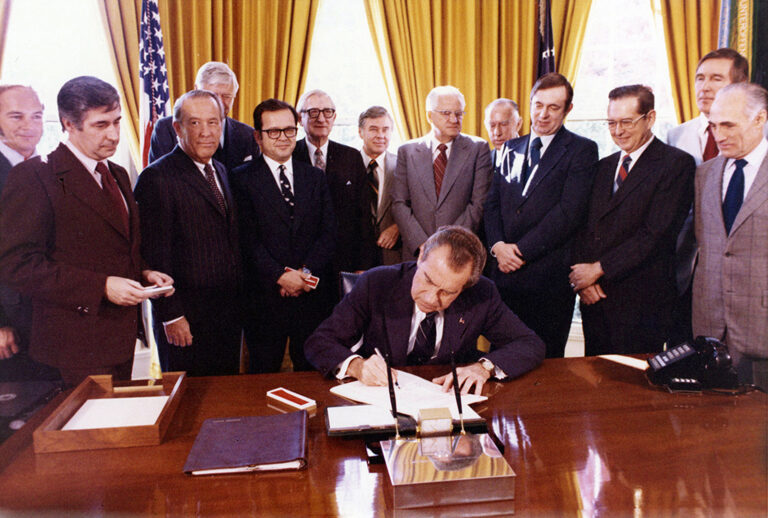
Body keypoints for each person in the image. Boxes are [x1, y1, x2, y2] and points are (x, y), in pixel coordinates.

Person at [0, 76, 174, 386]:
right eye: (101, 125)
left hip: (120, 339)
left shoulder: (117, 173)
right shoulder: (34, 176)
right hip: (72, 348)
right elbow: (17, 265)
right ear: (68, 123)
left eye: (117, 122)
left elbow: (115, 245)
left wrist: (145, 273)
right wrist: (102, 287)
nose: (114, 134)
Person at [304, 226, 545, 395]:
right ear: (420, 257)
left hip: (448, 404)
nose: (431, 298)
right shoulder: (376, 283)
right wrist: (357, 366)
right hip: (379, 401)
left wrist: (484, 367)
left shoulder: (482, 294)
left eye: (448, 292)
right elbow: (319, 342)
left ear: (465, 287)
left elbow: (529, 343)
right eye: (428, 280)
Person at [569, 85, 695, 355]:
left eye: (627, 122)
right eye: (611, 123)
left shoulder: (676, 164)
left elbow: (656, 234)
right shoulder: (603, 167)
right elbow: (582, 228)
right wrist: (584, 282)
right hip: (595, 300)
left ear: (650, 118)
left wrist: (598, 269)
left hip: (642, 304)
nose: (618, 130)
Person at [484, 73, 598, 358]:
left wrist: (519, 252)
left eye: (553, 107)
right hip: (504, 279)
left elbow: (568, 213)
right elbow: (492, 205)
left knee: (544, 364)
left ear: (567, 110)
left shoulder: (582, 150)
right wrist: (498, 246)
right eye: (538, 105)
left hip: (547, 281)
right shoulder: (510, 147)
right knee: (501, 359)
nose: (543, 114)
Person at [134, 90, 244, 376]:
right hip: (186, 318)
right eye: (195, 123)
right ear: (177, 128)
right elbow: (154, 256)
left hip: (227, 314)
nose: (206, 132)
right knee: (189, 403)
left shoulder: (219, 169)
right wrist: (172, 316)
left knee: (224, 399)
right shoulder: (156, 177)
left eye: (213, 122)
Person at [231, 99, 336, 373]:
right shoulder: (240, 179)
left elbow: (328, 234)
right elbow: (246, 240)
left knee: (312, 375)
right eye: (273, 131)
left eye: (289, 130)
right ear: (258, 136)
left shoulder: (314, 177)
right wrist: (281, 276)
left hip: (310, 297)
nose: (283, 138)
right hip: (264, 299)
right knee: (262, 376)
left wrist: (304, 275)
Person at [666, 48, 750, 345]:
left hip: (742, 279)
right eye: (700, 78)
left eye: (716, 78)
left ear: (740, 86)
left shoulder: (759, 138)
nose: (705, 86)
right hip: (682, 271)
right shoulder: (675, 136)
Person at [692, 82, 768, 389]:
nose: (718, 135)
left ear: (760, 119)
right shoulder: (705, 173)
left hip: (761, 329)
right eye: (713, 125)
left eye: (728, 125)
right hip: (710, 330)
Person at [392, 86, 492, 261]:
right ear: (429, 116)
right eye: (446, 113)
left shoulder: (478, 148)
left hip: (459, 251)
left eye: (459, 113)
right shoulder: (406, 151)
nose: (454, 119)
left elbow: (478, 204)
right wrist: (423, 244)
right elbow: (399, 203)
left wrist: (447, 243)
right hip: (417, 253)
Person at [0, 85, 58, 381]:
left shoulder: (49, 169)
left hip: (52, 316)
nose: (29, 126)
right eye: (16, 116)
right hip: (10, 325)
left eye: (36, 116)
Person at [293, 89, 376, 275]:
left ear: (334, 117)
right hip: (303, 263)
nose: (321, 119)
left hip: (344, 259)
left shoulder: (351, 157)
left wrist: (362, 265)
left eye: (327, 112)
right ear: (300, 118)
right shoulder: (290, 156)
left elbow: (363, 216)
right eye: (313, 112)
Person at [148, 61, 258, 170]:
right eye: (212, 95)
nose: (219, 103)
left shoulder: (248, 135)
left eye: (227, 96)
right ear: (196, 90)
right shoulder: (166, 129)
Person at [358, 106, 400, 265]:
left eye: (385, 129)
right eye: (373, 129)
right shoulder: (347, 164)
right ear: (361, 132)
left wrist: (398, 227)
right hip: (356, 258)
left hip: (393, 255)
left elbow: (417, 208)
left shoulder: (403, 166)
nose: (380, 136)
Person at [484, 98, 522, 172]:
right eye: (492, 125)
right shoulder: (484, 162)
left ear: (518, 124)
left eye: (503, 124)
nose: (497, 133)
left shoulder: (531, 157)